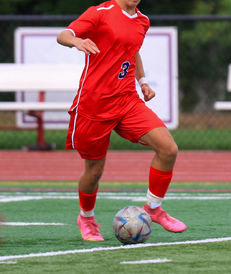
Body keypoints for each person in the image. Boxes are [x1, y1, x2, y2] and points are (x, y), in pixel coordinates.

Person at [57, 0, 186, 241]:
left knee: (168, 149)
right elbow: (64, 34)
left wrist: (143, 81)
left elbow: (132, 50)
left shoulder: (142, 21)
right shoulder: (99, 13)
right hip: (94, 105)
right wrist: (76, 41)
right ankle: (86, 218)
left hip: (127, 100)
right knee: (94, 170)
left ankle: (153, 209)